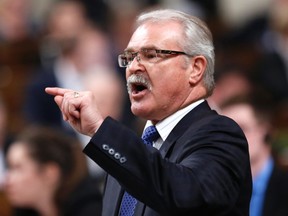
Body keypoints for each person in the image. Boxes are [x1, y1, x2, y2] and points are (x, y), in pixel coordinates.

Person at [46, 9, 252, 216]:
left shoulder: (220, 134)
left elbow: (186, 196)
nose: (133, 67)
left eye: (151, 55)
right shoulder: (125, 151)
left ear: (195, 68)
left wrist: (101, 130)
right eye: (129, 57)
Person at [4, 126, 102, 216]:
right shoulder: (23, 211)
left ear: (50, 174)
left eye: (17, 168)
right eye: (9, 167)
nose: (7, 180)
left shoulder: (90, 210)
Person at [220, 94, 288, 216]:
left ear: (265, 131)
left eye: (241, 128)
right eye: (222, 130)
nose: (228, 138)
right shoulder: (212, 189)